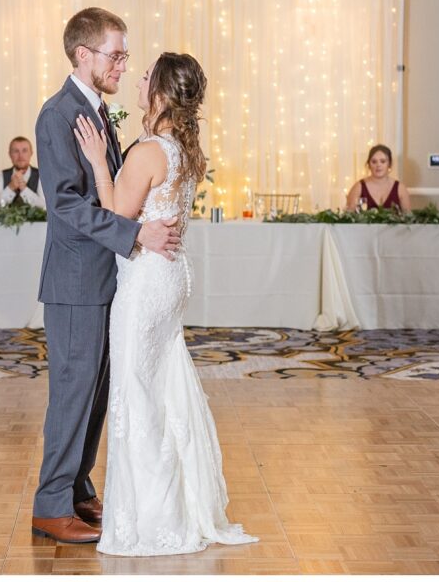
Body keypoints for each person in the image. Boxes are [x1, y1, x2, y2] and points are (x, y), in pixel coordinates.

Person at [74, 52, 257, 556]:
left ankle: (156, 518)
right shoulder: (181, 149)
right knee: (162, 389)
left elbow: (115, 216)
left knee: (136, 395)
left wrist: (95, 162)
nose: (136, 79)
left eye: (146, 76)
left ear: (159, 93)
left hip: (146, 285)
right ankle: (177, 503)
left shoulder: (148, 151)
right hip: (171, 280)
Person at [31, 7, 181, 545]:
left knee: (96, 390)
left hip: (106, 278)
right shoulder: (58, 114)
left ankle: (75, 488)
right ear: (82, 55)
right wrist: (135, 235)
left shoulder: (96, 109)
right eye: (114, 55)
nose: (123, 64)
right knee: (73, 389)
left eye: (124, 55)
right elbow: (66, 205)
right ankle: (50, 504)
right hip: (75, 280)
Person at [345, 144, 412, 212]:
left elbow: (408, 219)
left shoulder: (400, 188)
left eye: (383, 161)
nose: (378, 165)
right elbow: (348, 217)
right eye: (374, 162)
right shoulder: (358, 187)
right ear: (369, 165)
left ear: (389, 164)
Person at [0, 136, 46, 209]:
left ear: (31, 153)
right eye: (16, 151)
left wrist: (24, 189)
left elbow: (45, 207)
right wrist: (10, 188)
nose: (20, 156)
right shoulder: (0, 176)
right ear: (10, 154)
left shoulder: (42, 175)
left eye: (24, 150)